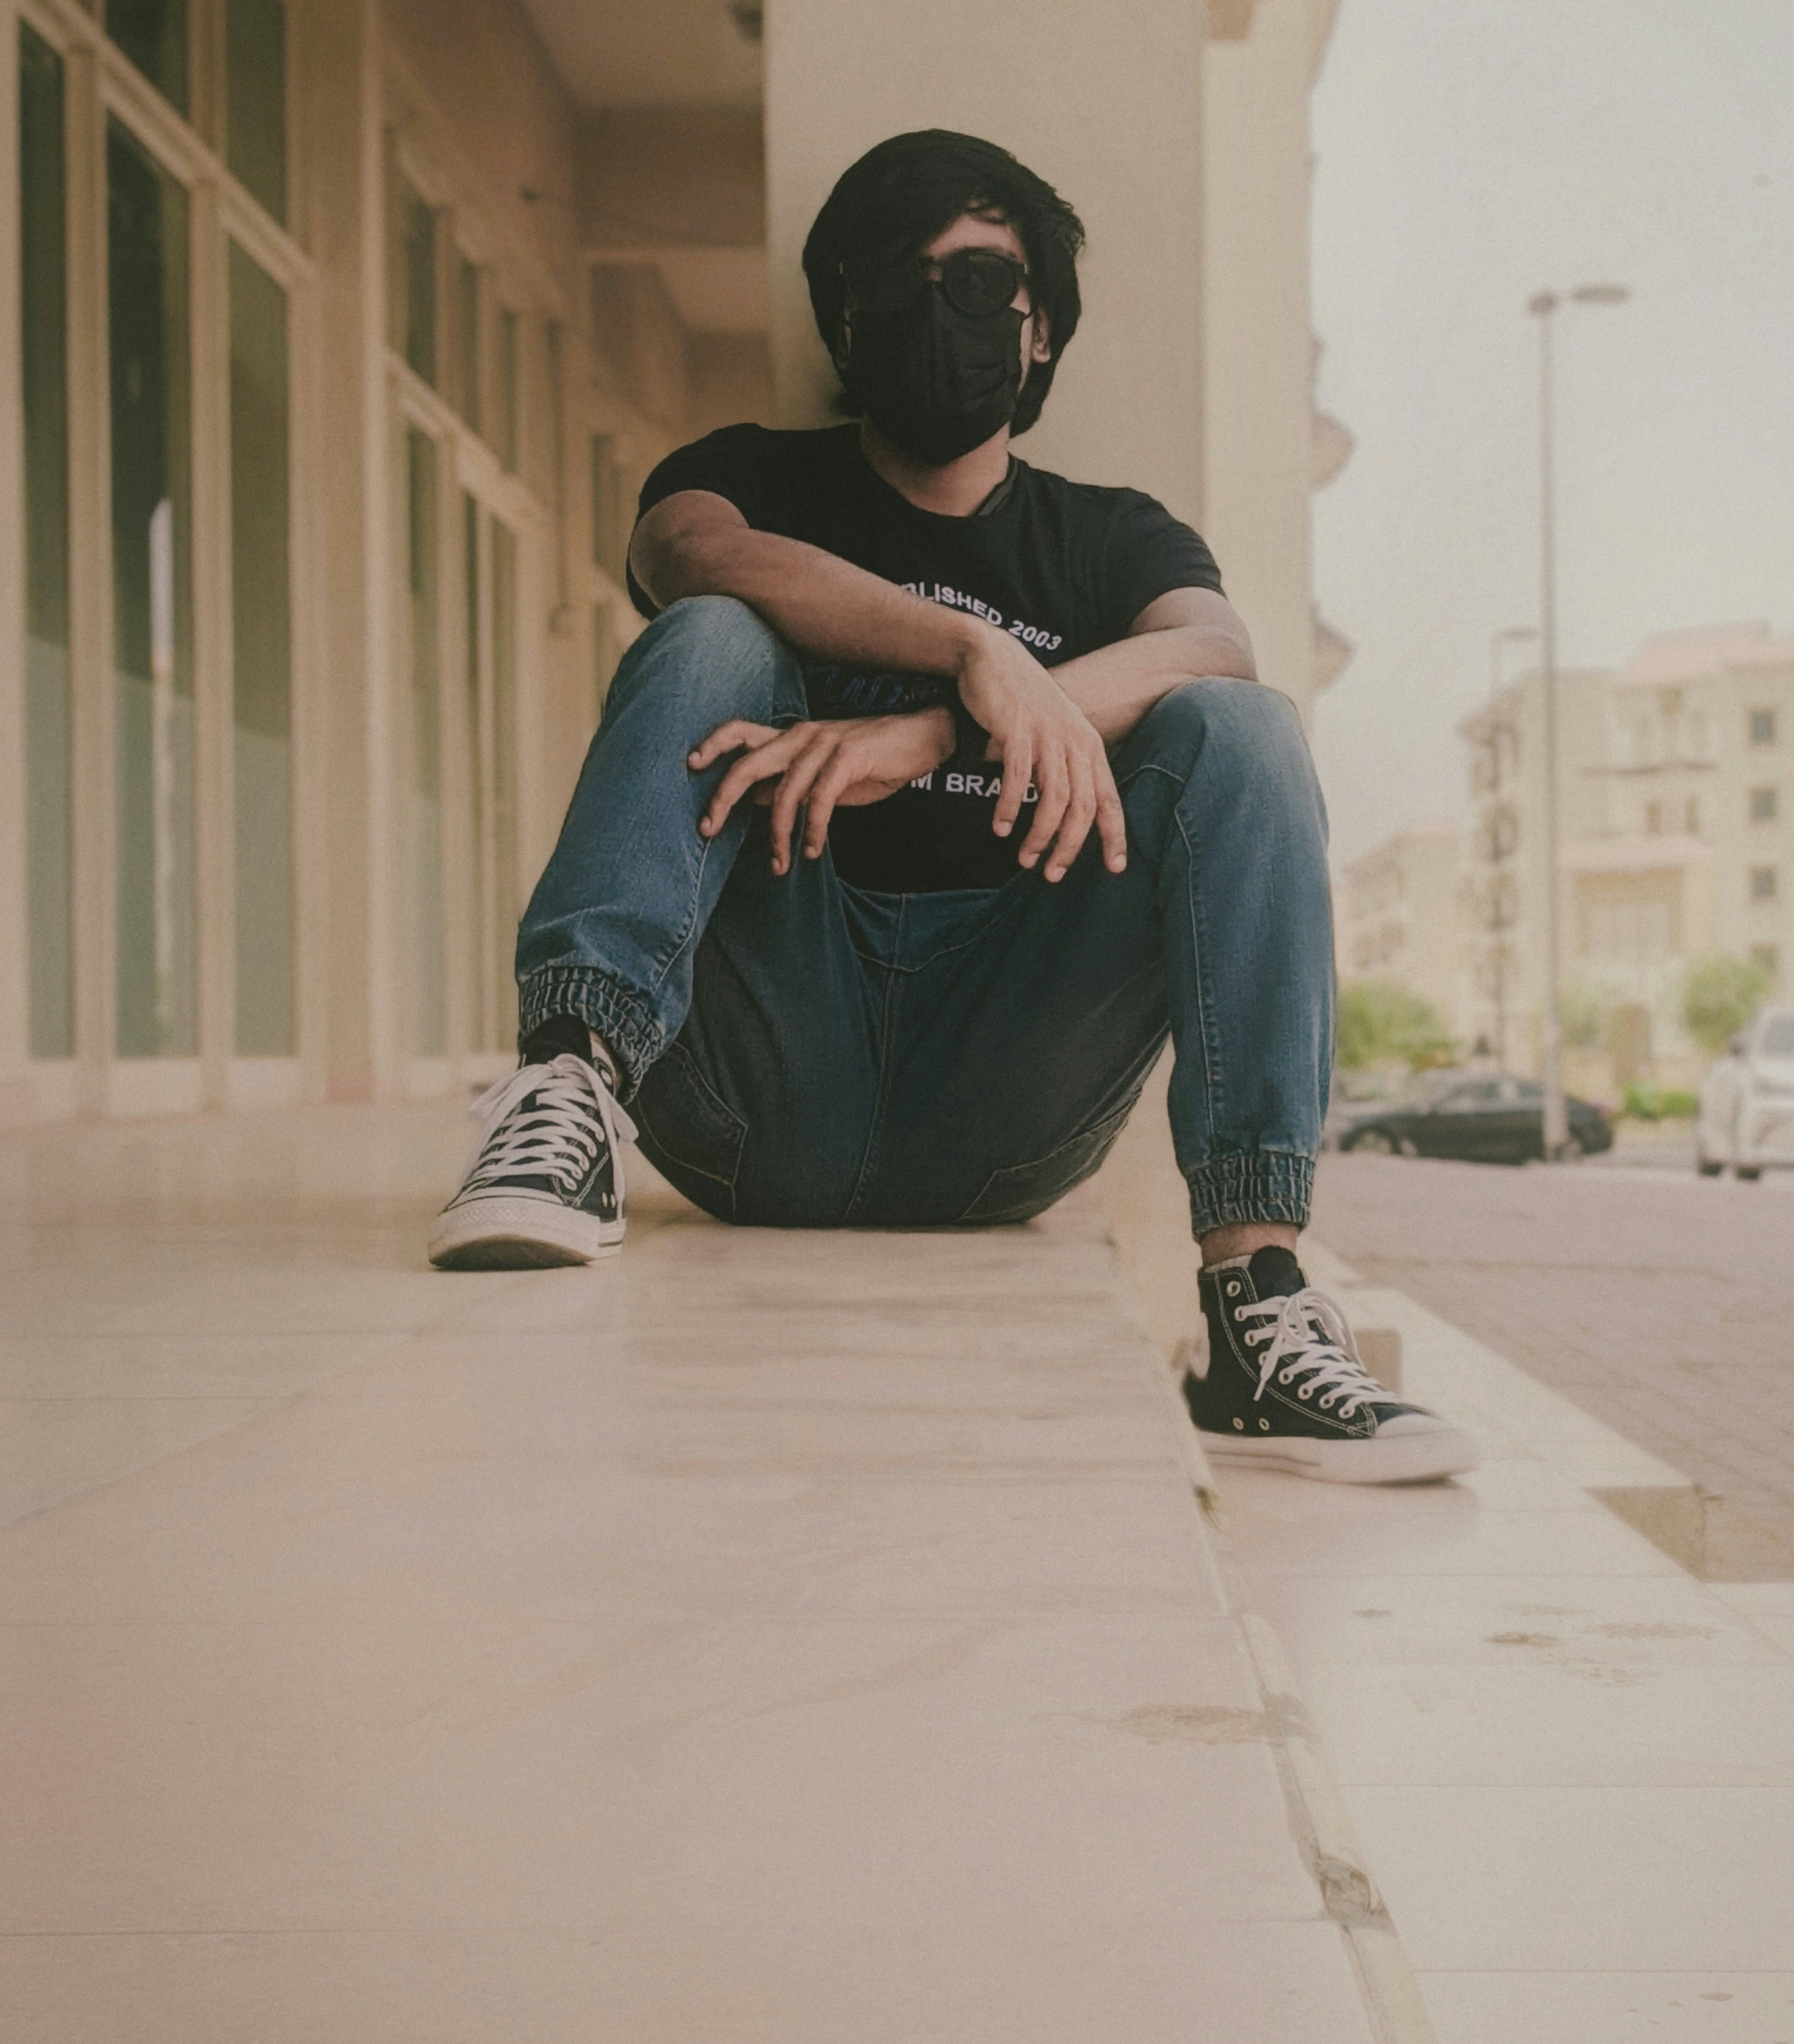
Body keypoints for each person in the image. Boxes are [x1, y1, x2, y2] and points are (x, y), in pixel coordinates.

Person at [429, 129, 1474, 1485]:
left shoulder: (1111, 539)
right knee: (714, 638)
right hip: (759, 1071)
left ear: (1040, 332)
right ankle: (569, 1085)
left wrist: (930, 730)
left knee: (1240, 734)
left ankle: (1255, 1295)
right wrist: (975, 649)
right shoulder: (754, 474)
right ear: (847, 319)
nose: (944, 312)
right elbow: (689, 552)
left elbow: (1219, 648)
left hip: (1002, 1079)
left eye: (982, 281)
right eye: (904, 280)